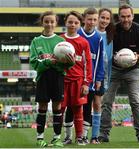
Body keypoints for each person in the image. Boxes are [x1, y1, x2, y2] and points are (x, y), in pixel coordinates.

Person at [98, 4, 139, 143]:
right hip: (114, 70)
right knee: (106, 101)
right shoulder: (112, 29)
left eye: (128, 16)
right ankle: (104, 134)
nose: (126, 19)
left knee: (135, 101)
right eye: (123, 16)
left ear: (133, 16)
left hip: (132, 70)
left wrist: (136, 56)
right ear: (119, 17)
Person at [29, 11, 74, 147]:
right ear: (42, 22)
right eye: (46, 21)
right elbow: (34, 62)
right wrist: (49, 62)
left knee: (58, 107)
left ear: (56, 23)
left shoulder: (61, 42)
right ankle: (40, 138)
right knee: (42, 106)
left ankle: (57, 138)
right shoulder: (36, 41)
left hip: (58, 77)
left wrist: (70, 62)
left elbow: (68, 63)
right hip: (43, 77)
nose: (49, 24)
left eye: (52, 21)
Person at [63, 8, 104, 145]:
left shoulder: (98, 38)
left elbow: (98, 60)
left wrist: (98, 78)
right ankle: (68, 136)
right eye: (89, 19)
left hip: (89, 79)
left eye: (94, 19)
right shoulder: (75, 33)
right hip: (74, 78)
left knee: (87, 108)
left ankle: (84, 136)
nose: (92, 22)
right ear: (84, 20)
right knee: (71, 107)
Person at [60, 11, 92, 145]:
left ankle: (79, 137)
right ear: (65, 22)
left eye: (76, 22)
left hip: (78, 81)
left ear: (80, 24)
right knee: (59, 109)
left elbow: (88, 64)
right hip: (61, 81)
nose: (72, 25)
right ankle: (60, 137)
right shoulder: (59, 40)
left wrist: (86, 83)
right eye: (70, 22)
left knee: (78, 110)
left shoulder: (83, 42)